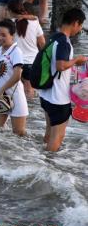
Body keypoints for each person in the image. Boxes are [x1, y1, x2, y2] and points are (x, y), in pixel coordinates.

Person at [38, 9, 88, 152]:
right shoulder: (65, 42)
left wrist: (72, 61)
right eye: (80, 26)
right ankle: (48, 167)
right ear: (75, 23)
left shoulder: (54, 37)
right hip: (58, 99)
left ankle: (40, 159)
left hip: (46, 94)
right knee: (57, 137)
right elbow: (61, 66)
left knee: (49, 133)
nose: (79, 29)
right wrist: (77, 59)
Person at [0, 19, 28, 136]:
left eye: (3, 35)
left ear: (12, 35)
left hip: (16, 97)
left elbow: (17, 75)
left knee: (19, 134)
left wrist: (1, 90)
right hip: (0, 97)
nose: (0, 38)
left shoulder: (16, 52)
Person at [7, 0, 45, 99]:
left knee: (14, 90)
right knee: (29, 91)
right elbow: (42, 44)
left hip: (15, 62)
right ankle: (30, 112)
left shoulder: (10, 24)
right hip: (32, 62)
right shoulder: (35, 22)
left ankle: (15, 111)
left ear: (11, 11)